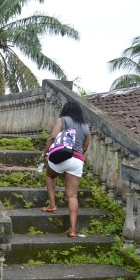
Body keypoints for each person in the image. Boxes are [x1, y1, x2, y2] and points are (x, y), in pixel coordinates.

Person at [39, 101, 91, 238]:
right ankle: (73, 229)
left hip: (61, 155)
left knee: (50, 175)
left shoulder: (63, 120)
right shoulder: (85, 126)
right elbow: (85, 147)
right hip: (77, 160)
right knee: (72, 195)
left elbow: (52, 138)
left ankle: (52, 205)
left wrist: (44, 154)